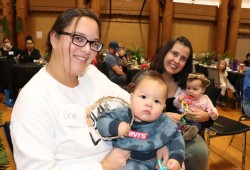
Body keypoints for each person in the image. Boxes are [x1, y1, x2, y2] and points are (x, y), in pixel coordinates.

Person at [10, 8, 169, 170]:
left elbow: (133, 105)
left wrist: (159, 139)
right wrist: (103, 166)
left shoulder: (91, 74)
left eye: (93, 43)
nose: (87, 50)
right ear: (54, 38)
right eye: (78, 38)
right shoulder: (34, 101)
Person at [130, 36, 210, 170]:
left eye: (183, 58)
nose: (177, 61)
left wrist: (205, 116)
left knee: (199, 151)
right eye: (174, 53)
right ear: (165, 52)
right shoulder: (144, 78)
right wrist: (161, 117)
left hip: (180, 133)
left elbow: (204, 109)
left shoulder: (187, 84)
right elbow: (129, 110)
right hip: (146, 133)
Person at [97, 70, 185, 170]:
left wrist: (176, 158)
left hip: (155, 163)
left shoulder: (164, 123)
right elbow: (101, 121)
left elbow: (176, 138)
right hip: (127, 161)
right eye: (143, 97)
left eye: (156, 101)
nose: (149, 103)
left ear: (163, 107)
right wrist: (116, 126)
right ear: (132, 98)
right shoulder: (122, 115)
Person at [173, 72, 218, 141]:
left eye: (195, 89)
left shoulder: (205, 99)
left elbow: (212, 109)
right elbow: (175, 105)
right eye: (188, 88)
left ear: (203, 90)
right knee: (175, 114)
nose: (190, 91)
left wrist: (213, 114)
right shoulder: (184, 94)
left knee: (196, 126)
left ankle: (188, 134)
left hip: (194, 120)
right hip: (181, 115)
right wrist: (178, 100)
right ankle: (174, 129)